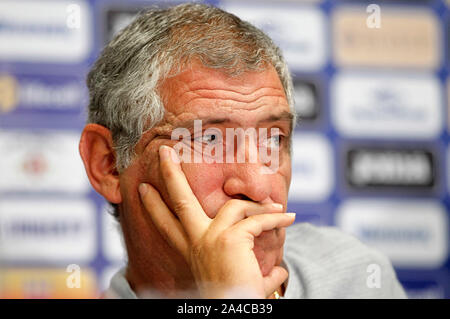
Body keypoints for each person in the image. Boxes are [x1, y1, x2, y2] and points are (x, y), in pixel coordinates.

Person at [79, 3, 406, 299]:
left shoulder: (357, 277)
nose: (259, 186)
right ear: (108, 165)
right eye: (209, 141)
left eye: (273, 140)